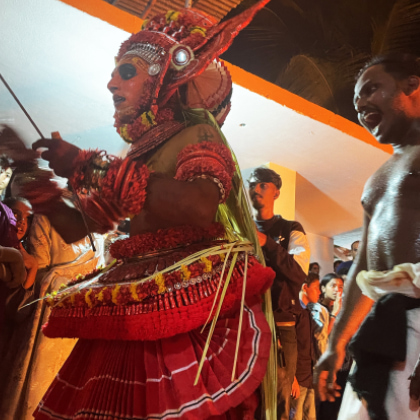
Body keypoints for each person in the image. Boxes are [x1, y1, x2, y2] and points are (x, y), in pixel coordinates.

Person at [3, 2, 277, 419]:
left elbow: (199, 207)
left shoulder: (197, 132)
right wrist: (32, 177)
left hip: (181, 306)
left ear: (162, 78)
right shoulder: (136, 153)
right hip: (132, 298)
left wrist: (88, 164)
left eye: (126, 71)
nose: (111, 81)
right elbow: (80, 228)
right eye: (115, 71)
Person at [315, 53, 420, 420]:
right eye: (357, 102)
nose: (361, 106)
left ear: (411, 85)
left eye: (372, 90)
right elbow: (363, 267)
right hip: (383, 331)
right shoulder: (377, 179)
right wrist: (337, 342)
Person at [248, 166, 310, 420]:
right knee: (249, 394)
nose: (256, 189)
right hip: (246, 322)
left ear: (277, 192)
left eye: (263, 184)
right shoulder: (240, 229)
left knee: (281, 398)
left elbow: (298, 272)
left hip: (282, 324)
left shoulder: (291, 228)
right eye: (252, 184)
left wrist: (267, 243)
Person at [290, 272, 320, 420]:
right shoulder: (294, 312)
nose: (320, 292)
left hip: (309, 377)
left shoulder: (308, 312)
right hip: (298, 378)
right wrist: (292, 379)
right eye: (316, 287)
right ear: (305, 287)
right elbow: (287, 346)